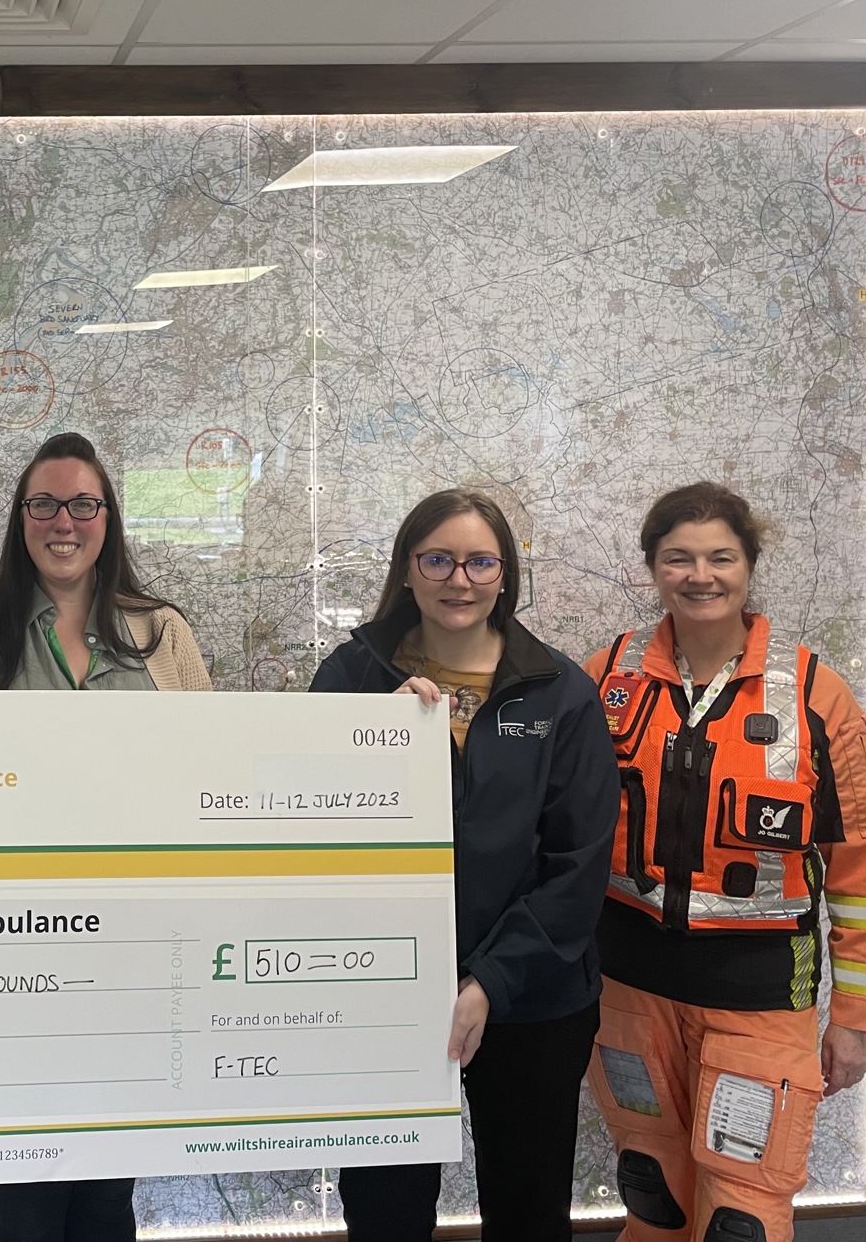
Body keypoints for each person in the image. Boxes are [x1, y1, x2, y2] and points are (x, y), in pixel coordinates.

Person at [585, 483, 866, 1242]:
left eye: (720, 557)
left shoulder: (817, 699)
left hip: (758, 999)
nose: (701, 575)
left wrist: (856, 1020)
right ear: (653, 569)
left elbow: (864, 868)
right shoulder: (603, 682)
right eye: (678, 558)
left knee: (741, 1215)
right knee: (652, 1191)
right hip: (628, 994)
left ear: (749, 566)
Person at [0, 431, 210, 1242]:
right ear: (20, 519)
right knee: (25, 1191)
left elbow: (212, 778)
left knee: (108, 1191)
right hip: (14, 952)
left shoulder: (164, 635)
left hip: (134, 955)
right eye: (44, 503)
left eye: (84, 504)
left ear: (108, 519)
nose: (64, 521)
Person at [309, 488, 618, 1242]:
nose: (460, 579)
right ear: (407, 570)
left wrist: (488, 982)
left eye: (482, 561)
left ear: (506, 575)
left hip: (531, 1004)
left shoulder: (561, 691)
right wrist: (376, 734)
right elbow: (309, 839)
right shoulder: (352, 680)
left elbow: (577, 865)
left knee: (527, 1212)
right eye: (438, 559)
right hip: (384, 995)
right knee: (384, 1216)